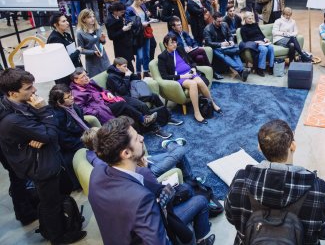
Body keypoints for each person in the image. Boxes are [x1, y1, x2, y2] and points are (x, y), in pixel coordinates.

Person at [88, 116, 215, 245]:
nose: (142, 138)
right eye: (137, 138)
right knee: (201, 201)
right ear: (126, 153)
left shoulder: (96, 173)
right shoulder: (141, 198)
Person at [0, 68, 87, 244]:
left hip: (47, 158)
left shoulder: (18, 106)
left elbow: (45, 134)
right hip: (40, 167)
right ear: (12, 93)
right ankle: (58, 237)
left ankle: (64, 223)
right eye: (28, 88)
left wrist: (42, 132)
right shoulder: (13, 120)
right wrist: (44, 112)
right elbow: (50, 135)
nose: (34, 90)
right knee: (50, 204)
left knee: (59, 193)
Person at [225, 119, 325, 245]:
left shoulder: (240, 180)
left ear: (259, 147)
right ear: (293, 146)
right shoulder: (319, 190)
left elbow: (231, 217)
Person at [69, 67, 160, 132]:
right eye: (83, 77)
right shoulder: (76, 93)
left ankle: (151, 124)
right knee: (122, 104)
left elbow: (103, 89)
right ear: (75, 80)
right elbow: (82, 109)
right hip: (102, 108)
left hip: (108, 100)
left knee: (131, 102)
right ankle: (143, 119)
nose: (86, 78)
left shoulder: (89, 83)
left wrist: (107, 93)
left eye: (86, 75)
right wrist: (96, 111)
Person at [158, 35, 221, 124]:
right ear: (165, 44)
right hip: (180, 77)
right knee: (193, 84)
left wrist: (194, 68)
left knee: (200, 81)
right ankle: (197, 112)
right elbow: (164, 76)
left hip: (190, 72)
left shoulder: (179, 49)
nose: (174, 44)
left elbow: (191, 61)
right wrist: (182, 77)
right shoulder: (162, 57)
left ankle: (212, 103)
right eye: (172, 43)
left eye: (175, 42)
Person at [48, 84, 88, 191]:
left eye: (71, 95)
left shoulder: (73, 107)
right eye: (68, 97)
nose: (72, 98)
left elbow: (83, 122)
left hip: (82, 137)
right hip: (71, 147)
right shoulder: (56, 117)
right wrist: (87, 141)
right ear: (58, 101)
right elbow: (65, 141)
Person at [204, 12, 250, 82]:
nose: (220, 23)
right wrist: (221, 44)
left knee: (235, 53)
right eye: (218, 21)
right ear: (213, 20)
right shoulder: (207, 29)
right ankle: (242, 70)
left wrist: (231, 40)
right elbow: (209, 43)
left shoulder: (224, 24)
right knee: (223, 55)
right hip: (216, 47)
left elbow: (230, 35)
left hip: (227, 45)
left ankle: (242, 72)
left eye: (221, 21)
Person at [47, 13, 82, 84]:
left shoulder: (66, 34)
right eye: (63, 21)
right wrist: (78, 51)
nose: (67, 23)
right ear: (55, 24)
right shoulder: (54, 39)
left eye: (66, 20)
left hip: (73, 69)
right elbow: (64, 59)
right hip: (64, 75)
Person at [76, 9, 111, 77]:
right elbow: (81, 50)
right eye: (89, 17)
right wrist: (93, 52)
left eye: (93, 16)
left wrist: (102, 40)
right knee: (96, 81)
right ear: (83, 19)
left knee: (108, 77)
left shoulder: (98, 28)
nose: (92, 19)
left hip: (103, 58)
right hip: (92, 62)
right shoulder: (80, 33)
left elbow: (102, 43)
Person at [126, 0, 153, 78]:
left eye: (143, 1)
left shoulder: (142, 6)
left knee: (147, 54)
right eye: (141, 0)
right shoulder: (129, 9)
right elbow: (129, 22)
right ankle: (138, 72)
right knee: (140, 55)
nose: (142, 2)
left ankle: (145, 71)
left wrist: (148, 16)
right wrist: (141, 24)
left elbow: (145, 17)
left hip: (145, 32)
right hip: (138, 34)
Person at [240, 12, 275, 76]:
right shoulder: (243, 28)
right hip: (254, 44)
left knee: (271, 48)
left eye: (252, 18)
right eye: (249, 18)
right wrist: (256, 41)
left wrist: (265, 39)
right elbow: (245, 40)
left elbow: (260, 34)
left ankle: (271, 67)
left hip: (262, 41)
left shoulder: (255, 25)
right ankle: (260, 69)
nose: (251, 20)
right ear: (245, 19)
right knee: (264, 49)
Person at [106, 1, 135, 73]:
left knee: (129, 63)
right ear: (115, 11)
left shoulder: (119, 16)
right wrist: (123, 30)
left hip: (127, 43)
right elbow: (111, 36)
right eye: (121, 12)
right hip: (120, 47)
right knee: (125, 65)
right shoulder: (110, 20)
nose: (123, 14)